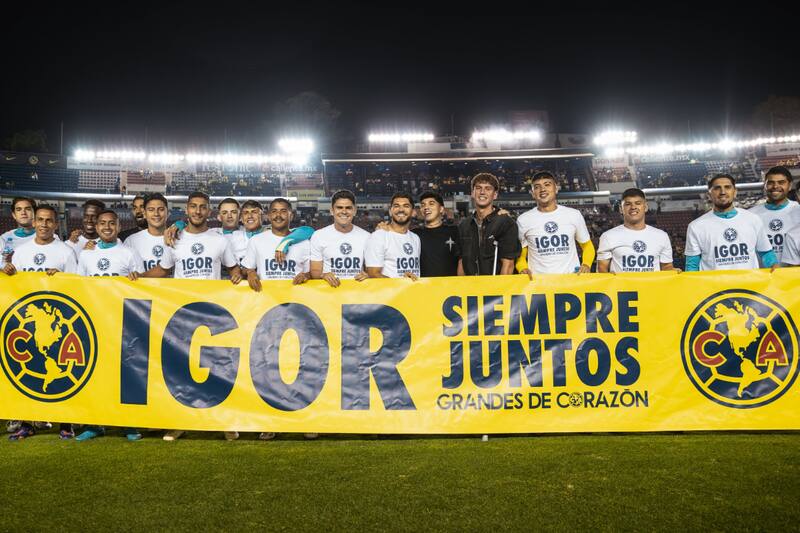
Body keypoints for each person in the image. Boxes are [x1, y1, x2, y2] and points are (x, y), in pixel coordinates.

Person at [141, 192, 242, 442]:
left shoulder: (219, 240)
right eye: (193, 207)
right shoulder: (174, 239)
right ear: (186, 210)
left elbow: (233, 269)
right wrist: (133, 279)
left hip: (212, 314)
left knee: (216, 368)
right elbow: (163, 270)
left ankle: (223, 423)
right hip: (182, 314)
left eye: (203, 207)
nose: (198, 211)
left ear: (209, 211)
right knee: (179, 370)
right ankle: (180, 422)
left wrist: (239, 276)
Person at [242, 198, 314, 441]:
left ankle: (304, 419)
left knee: (301, 365)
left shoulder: (304, 241)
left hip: (298, 312)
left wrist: (306, 275)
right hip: (267, 313)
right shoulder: (257, 241)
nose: (279, 215)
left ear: (291, 215)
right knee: (268, 366)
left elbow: (311, 271)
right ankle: (269, 420)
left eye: (283, 211)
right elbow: (247, 267)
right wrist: (250, 273)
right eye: (274, 211)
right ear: (268, 215)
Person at [3, 204, 77, 440]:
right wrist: (8, 274)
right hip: (29, 325)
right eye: (41, 220)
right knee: (28, 371)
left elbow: (78, 287)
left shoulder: (66, 252)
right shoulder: (21, 252)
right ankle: (27, 422)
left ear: (56, 224)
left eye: (49, 220)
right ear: (34, 222)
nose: (44, 224)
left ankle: (66, 423)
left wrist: (62, 279)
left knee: (60, 371)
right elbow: (15, 287)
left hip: (57, 323)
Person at [74, 210, 144, 442]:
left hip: (123, 323)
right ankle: (95, 424)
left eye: (111, 223)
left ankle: (128, 424)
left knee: (124, 375)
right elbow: (79, 287)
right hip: (94, 321)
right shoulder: (86, 255)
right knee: (95, 374)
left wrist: (137, 280)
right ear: (96, 226)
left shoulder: (129, 253)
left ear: (118, 226)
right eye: (102, 223)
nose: (106, 227)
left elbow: (143, 287)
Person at [685, 173, 777, 271]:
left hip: (748, 281)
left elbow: (765, 252)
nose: (723, 192)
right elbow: (692, 266)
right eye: (717, 188)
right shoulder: (696, 226)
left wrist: (774, 266)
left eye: (727, 187)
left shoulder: (753, 219)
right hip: (714, 281)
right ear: (709, 194)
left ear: (735, 192)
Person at [516, 171, 594, 275]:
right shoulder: (523, 220)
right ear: (533, 193)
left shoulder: (573, 214)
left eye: (547, 184)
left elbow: (587, 246)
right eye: (537, 187)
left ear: (556, 188)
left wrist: (586, 264)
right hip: (538, 281)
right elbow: (520, 253)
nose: (542, 189)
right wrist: (522, 267)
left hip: (570, 280)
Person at [597, 188, 676, 273]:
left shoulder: (662, 236)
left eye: (638, 203)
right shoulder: (608, 236)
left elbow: (666, 267)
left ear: (645, 207)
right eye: (628, 204)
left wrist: (672, 271)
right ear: (621, 209)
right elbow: (601, 270)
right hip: (623, 282)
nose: (633, 207)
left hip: (651, 282)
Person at [457, 173, 520, 275]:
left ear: (495, 195)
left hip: (494, 285)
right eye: (478, 188)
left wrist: (501, 286)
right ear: (472, 193)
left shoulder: (506, 223)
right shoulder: (464, 225)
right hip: (470, 284)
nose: (482, 192)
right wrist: (462, 284)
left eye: (488, 188)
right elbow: (461, 262)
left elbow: (508, 265)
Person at [309, 190, 369, 287]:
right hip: (329, 291)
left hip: (357, 291)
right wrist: (323, 275)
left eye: (348, 208)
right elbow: (315, 271)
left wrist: (368, 275)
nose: (344, 211)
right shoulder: (318, 236)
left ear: (354, 211)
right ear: (332, 211)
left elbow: (371, 270)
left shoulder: (367, 237)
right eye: (339, 207)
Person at [748, 166, 800, 263]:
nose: (775, 186)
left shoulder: (798, 210)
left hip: (795, 271)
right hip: (763, 272)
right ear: (765, 185)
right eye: (770, 183)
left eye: (781, 182)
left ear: (790, 185)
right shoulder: (751, 215)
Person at [365, 193, 421, 280]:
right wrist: (400, 282)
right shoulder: (379, 236)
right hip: (390, 289)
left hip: (414, 288)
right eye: (396, 206)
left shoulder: (415, 238)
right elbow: (373, 274)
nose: (401, 209)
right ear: (390, 211)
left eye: (406, 206)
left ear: (413, 212)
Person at [124, 193, 176, 274]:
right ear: (144, 214)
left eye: (161, 209)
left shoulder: (177, 237)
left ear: (168, 213)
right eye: (151, 210)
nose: (156, 214)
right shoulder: (131, 241)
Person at [413, 192, 460, 277]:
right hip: (423, 285)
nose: (426, 207)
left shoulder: (454, 231)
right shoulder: (414, 234)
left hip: (449, 284)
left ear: (441, 209)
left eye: (431, 204)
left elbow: (461, 260)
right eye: (423, 205)